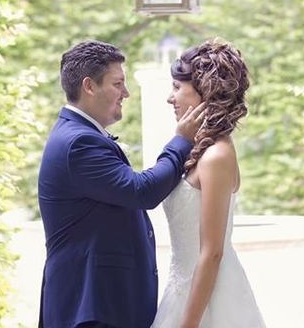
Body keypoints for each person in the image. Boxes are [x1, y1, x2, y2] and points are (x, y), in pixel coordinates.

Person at [37, 40, 205, 328]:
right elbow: (142, 191)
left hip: (99, 304)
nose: (126, 93)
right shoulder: (79, 142)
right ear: (89, 86)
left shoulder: (79, 134)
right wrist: (182, 141)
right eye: (118, 84)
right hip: (91, 308)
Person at [151, 39, 266, 328]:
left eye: (177, 87)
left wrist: (188, 324)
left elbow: (213, 252)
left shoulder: (217, 156)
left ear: (206, 93)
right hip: (183, 290)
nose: (170, 97)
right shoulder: (201, 149)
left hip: (210, 303)